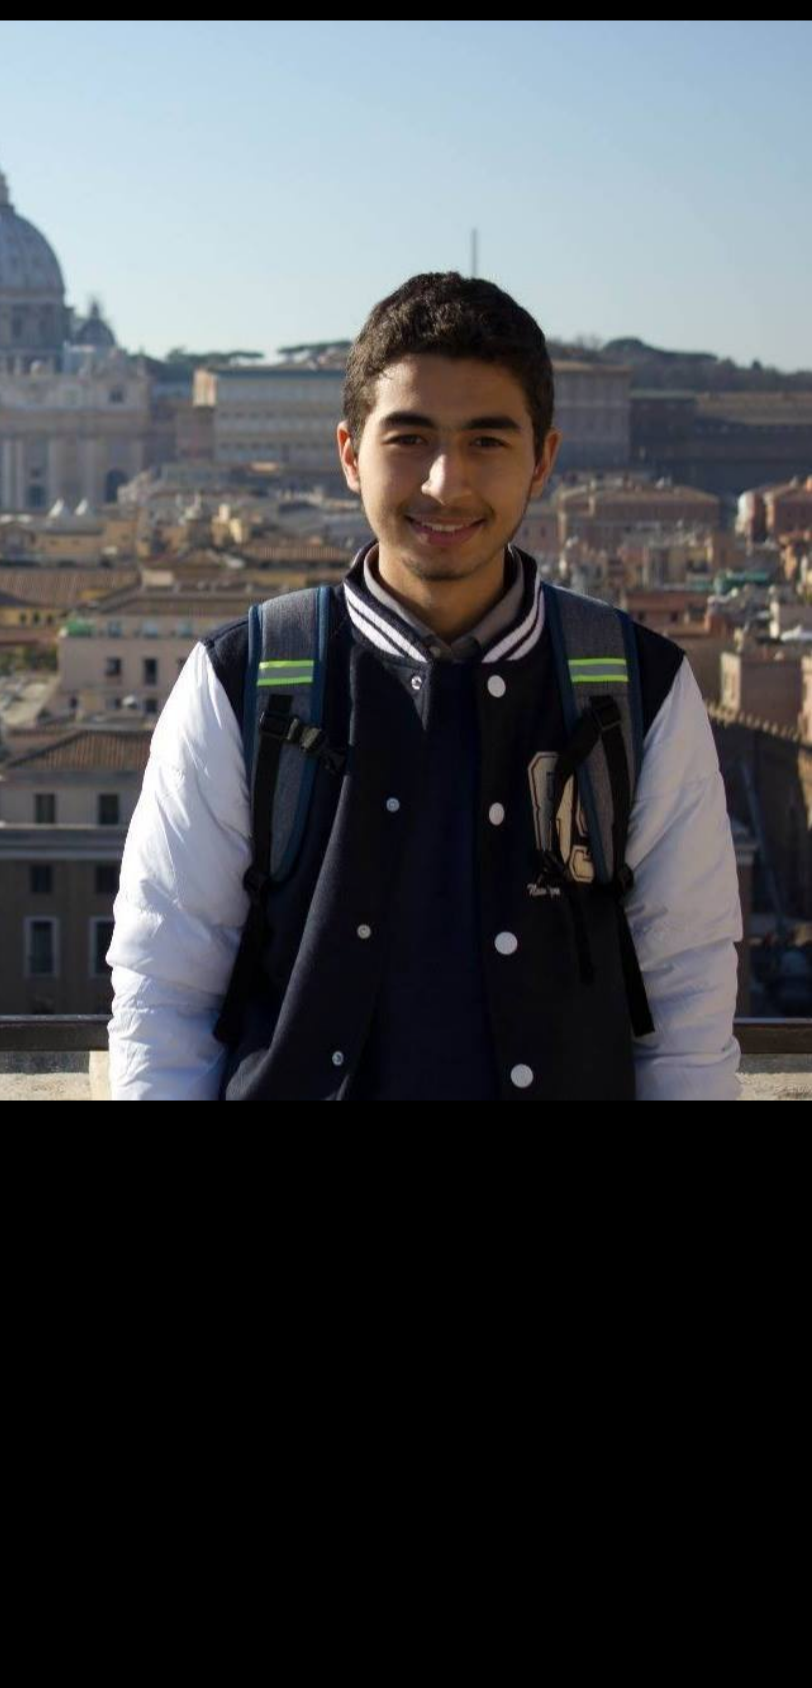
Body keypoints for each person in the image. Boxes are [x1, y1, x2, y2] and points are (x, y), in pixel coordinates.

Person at [105, 272, 743, 1099]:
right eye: (409, 439)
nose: (446, 483)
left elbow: (688, 1000)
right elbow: (163, 992)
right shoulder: (238, 680)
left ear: (544, 460)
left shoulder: (641, 689)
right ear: (349, 454)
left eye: (487, 442)